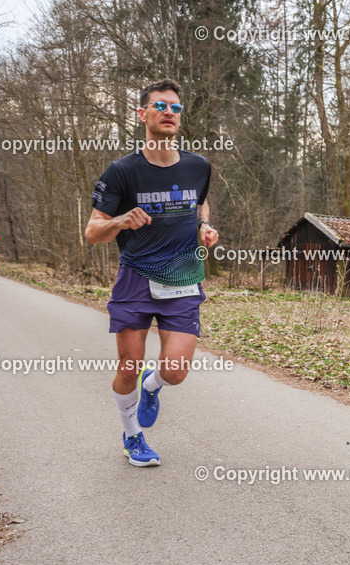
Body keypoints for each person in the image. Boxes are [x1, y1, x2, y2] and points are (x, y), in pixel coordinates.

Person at [85, 78, 218, 467]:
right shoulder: (122, 172)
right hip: (137, 277)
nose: (169, 113)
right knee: (128, 366)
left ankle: (152, 385)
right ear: (142, 114)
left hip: (181, 275)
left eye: (175, 108)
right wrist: (121, 220)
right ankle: (131, 437)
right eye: (160, 106)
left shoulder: (199, 166)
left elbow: (201, 200)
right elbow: (92, 232)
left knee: (174, 372)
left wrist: (203, 226)